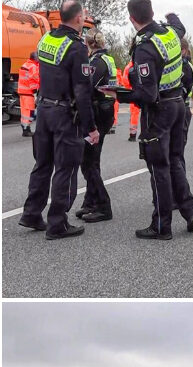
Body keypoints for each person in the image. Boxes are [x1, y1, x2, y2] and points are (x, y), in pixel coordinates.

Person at [101, 1, 193, 239]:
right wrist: (171, 15)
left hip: (160, 110)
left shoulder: (145, 47)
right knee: (175, 161)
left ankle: (161, 226)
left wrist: (119, 94)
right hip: (178, 104)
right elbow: (179, 27)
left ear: (131, 19)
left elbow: (146, 94)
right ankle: (190, 211)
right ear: (152, 13)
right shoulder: (170, 34)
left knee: (159, 167)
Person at [18, 0, 99, 239]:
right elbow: (83, 91)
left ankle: (32, 213)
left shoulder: (47, 39)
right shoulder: (76, 47)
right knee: (65, 168)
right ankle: (57, 223)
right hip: (65, 114)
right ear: (78, 19)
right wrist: (91, 128)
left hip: (43, 110)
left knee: (42, 164)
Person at [75, 29, 118, 223]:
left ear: (89, 45)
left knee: (88, 161)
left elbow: (88, 87)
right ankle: (90, 201)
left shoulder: (96, 62)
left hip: (99, 111)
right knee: (93, 158)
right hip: (106, 109)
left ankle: (103, 205)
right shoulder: (107, 58)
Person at [179, 36, 193, 174]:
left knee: (177, 154)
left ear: (183, 51)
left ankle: (181, 190)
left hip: (182, 110)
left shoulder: (185, 67)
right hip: (183, 109)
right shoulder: (184, 65)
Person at [17, 52, 40, 137]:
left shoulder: (26, 64)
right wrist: (35, 93)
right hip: (28, 93)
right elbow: (33, 81)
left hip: (22, 92)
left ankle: (25, 129)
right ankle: (26, 130)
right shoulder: (33, 67)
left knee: (24, 112)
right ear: (36, 58)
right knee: (29, 112)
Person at [122, 61, 140, 141]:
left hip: (132, 91)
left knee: (134, 113)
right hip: (143, 90)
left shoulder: (129, 66)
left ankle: (133, 134)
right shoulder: (140, 63)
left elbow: (125, 81)